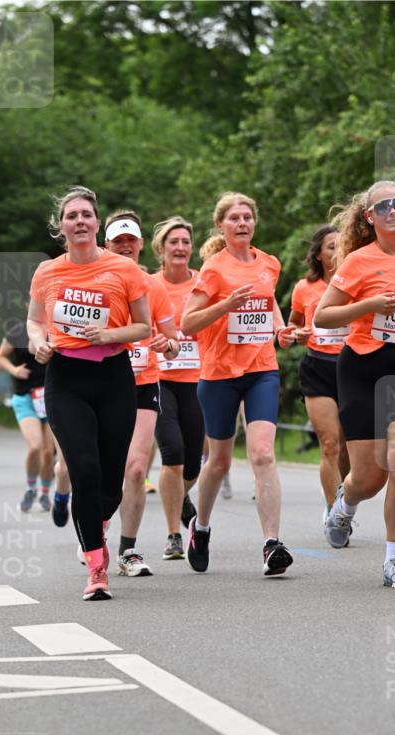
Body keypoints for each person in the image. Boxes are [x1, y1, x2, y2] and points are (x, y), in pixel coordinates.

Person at [315, 180, 395, 588]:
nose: (393, 210)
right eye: (383, 205)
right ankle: (345, 501)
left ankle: (394, 561)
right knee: (371, 477)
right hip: (362, 369)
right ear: (370, 217)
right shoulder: (356, 262)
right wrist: (369, 305)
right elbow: (323, 316)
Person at [27, 186, 151, 600]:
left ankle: (91, 524)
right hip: (66, 378)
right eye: (71, 215)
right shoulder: (47, 272)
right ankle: (97, 569)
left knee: (111, 485)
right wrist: (38, 342)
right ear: (60, 226)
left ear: (97, 223)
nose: (79, 221)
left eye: (86, 215)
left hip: (114, 376)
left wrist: (111, 332)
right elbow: (33, 322)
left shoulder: (124, 269)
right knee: (84, 469)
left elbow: (144, 328)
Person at [181, 191, 294, 576]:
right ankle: (202, 526)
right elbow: (188, 323)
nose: (242, 223)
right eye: (234, 218)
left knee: (262, 453)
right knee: (219, 461)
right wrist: (225, 306)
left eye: (247, 217)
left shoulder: (270, 264)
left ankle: (271, 544)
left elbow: (268, 302)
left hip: (262, 368)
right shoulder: (213, 269)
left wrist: (281, 329)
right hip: (219, 374)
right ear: (221, 226)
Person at [103, 210, 179, 577]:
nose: (125, 248)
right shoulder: (96, 284)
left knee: (135, 468)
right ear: (106, 246)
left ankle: (128, 550)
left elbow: (174, 344)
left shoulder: (154, 286)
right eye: (118, 242)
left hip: (143, 384)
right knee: (102, 470)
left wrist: (167, 345)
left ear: (140, 245)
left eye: (130, 241)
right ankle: (95, 530)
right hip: (100, 384)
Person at [279, 224, 350, 526]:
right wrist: (297, 333)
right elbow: (293, 324)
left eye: (342, 245)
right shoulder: (303, 288)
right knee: (330, 443)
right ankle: (336, 513)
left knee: (348, 447)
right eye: (331, 246)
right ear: (318, 255)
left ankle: (341, 496)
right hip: (317, 366)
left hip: (352, 367)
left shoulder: (358, 284)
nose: (337, 251)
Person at [148, 215, 204, 559]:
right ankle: (172, 534)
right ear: (161, 249)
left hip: (199, 380)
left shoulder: (203, 285)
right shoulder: (149, 285)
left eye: (185, 242)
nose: (180, 247)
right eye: (174, 242)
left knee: (194, 465)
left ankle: (180, 497)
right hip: (159, 379)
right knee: (173, 454)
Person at [0, 320, 55, 512]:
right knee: (35, 446)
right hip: (25, 397)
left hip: (51, 396)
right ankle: (31, 488)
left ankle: (45, 492)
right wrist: (14, 370)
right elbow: (0, 357)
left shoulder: (58, 328)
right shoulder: (18, 330)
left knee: (48, 453)